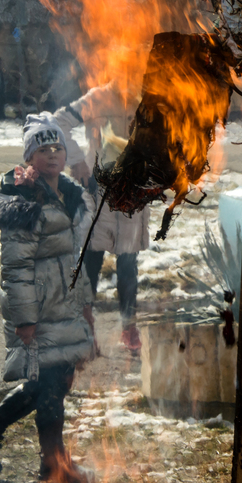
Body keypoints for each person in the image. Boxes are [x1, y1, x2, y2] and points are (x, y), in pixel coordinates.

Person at [0, 113, 95, 483]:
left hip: (64, 307)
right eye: (43, 149)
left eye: (57, 147)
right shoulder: (24, 201)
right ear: (29, 157)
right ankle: (51, 464)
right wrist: (25, 319)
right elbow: (16, 267)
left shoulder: (67, 196)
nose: (52, 155)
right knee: (49, 386)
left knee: (52, 385)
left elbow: (74, 259)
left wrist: (85, 306)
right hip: (39, 309)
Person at [52, 82, 149, 357]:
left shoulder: (149, 96)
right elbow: (58, 122)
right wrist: (76, 161)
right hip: (99, 193)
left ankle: (129, 327)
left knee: (129, 266)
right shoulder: (100, 96)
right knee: (91, 263)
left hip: (133, 192)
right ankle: (86, 330)